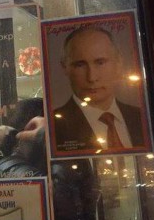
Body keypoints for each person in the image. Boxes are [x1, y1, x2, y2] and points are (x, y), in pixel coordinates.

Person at [52, 25, 145, 153]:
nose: (92, 77)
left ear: (118, 62)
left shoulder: (142, 117)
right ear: (65, 68)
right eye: (80, 65)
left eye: (100, 63)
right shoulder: (53, 127)